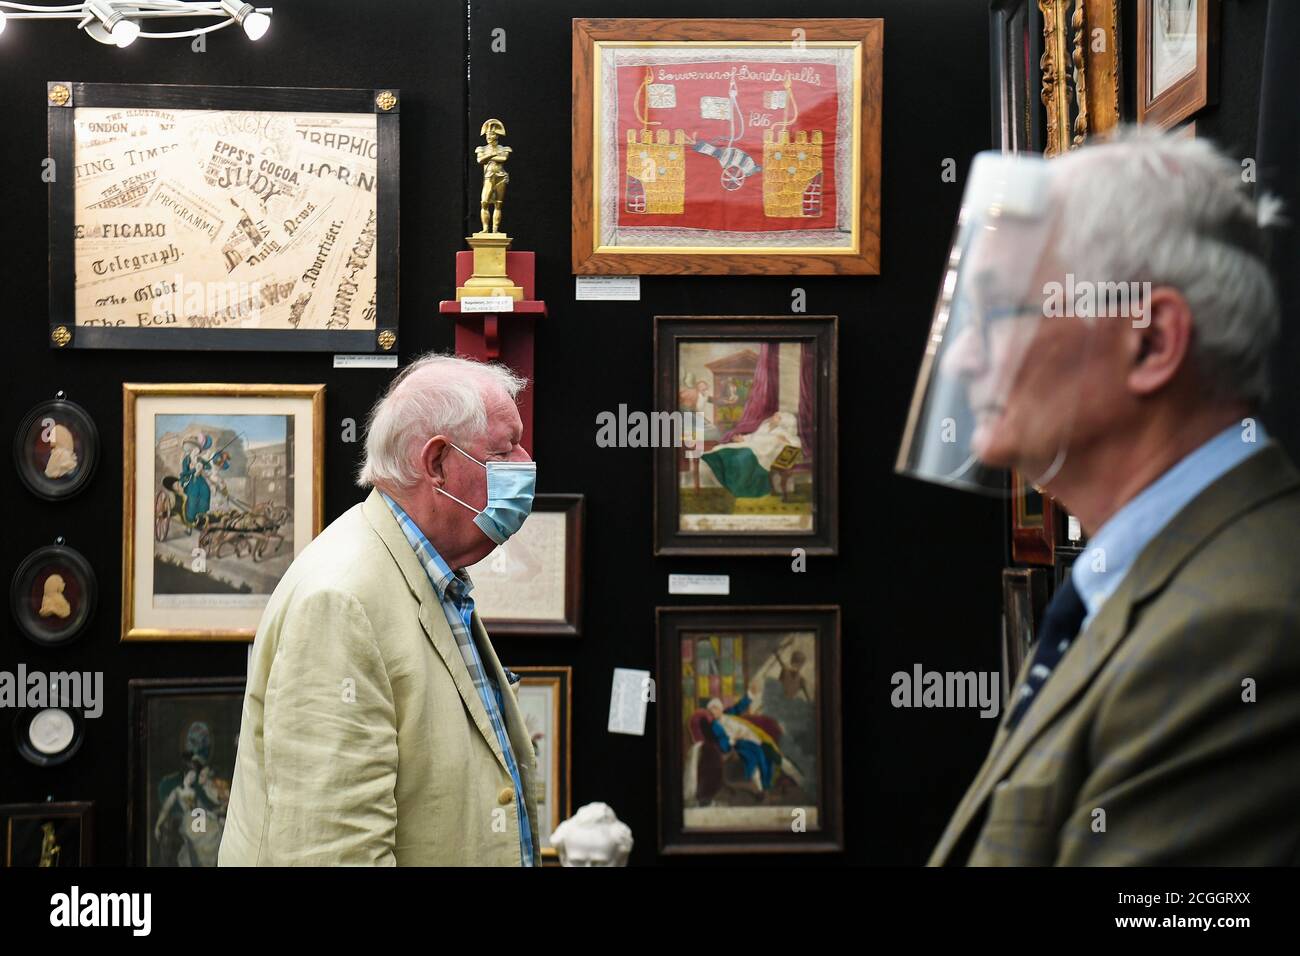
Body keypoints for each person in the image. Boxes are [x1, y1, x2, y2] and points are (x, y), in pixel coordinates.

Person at [898, 126, 1300, 865]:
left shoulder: (1237, 630)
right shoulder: (1143, 585)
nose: (961, 352)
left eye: (997, 312)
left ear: (1149, 342)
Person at [219, 352, 540, 866]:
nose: (525, 464)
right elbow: (331, 851)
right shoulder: (340, 601)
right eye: (504, 452)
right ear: (436, 463)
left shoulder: (424, 571)